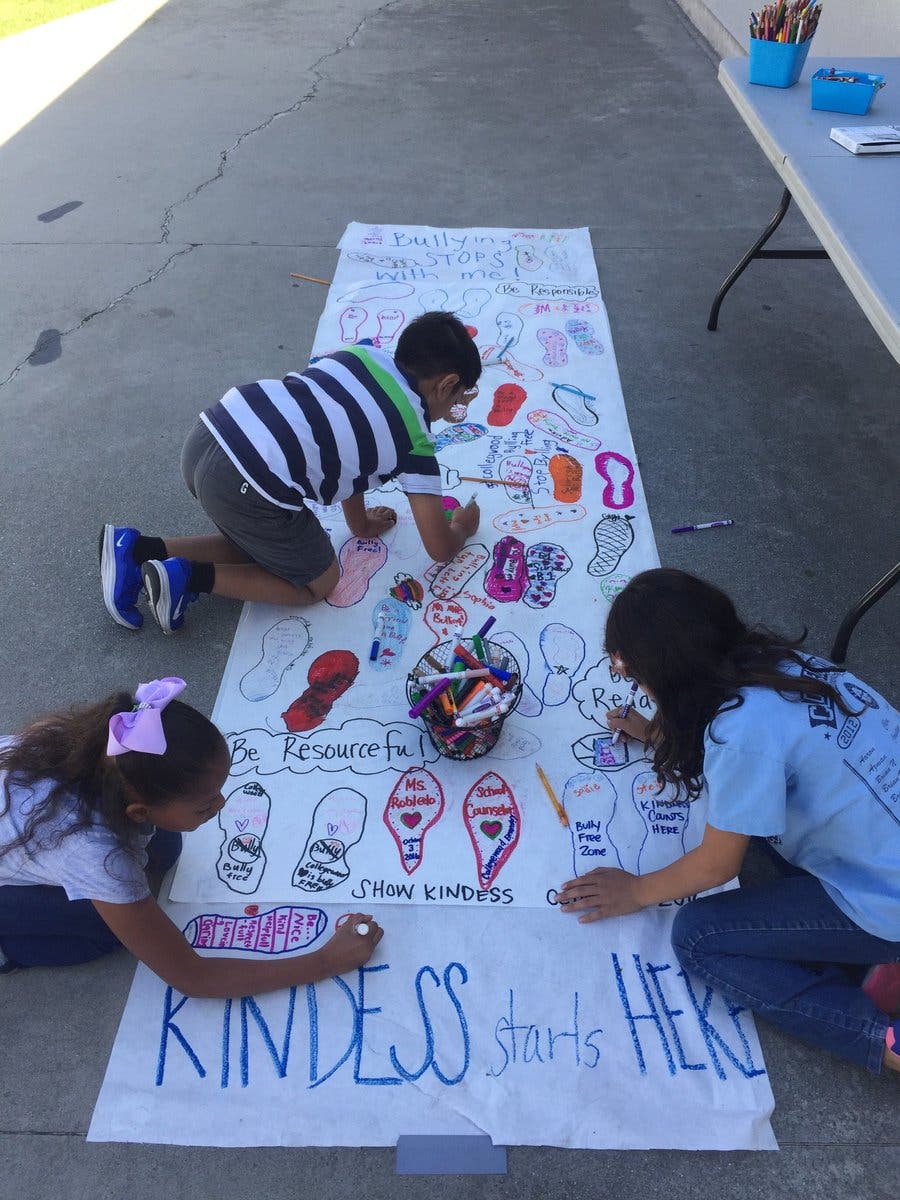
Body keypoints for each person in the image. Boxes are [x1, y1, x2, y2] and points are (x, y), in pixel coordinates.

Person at [557, 568, 900, 1075]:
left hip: (885, 899)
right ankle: (869, 962)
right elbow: (753, 752)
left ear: (667, 674)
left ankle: (881, 1039)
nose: (634, 684)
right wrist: (659, 735)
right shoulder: (777, 663)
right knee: (746, 820)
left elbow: (715, 867)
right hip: (880, 850)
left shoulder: (738, 735)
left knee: (697, 937)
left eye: (633, 674)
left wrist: (635, 891)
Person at [100, 311, 482, 633]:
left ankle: (136, 550)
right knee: (320, 582)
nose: (456, 408)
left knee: (264, 543)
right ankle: (186, 578)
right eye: (460, 397)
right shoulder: (415, 438)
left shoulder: (360, 355)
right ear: (447, 384)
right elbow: (438, 546)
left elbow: (344, 440)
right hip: (248, 482)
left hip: (209, 433)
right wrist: (461, 527)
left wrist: (361, 525)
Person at [0, 678, 383, 995]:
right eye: (203, 807)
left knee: (165, 847)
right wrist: (326, 961)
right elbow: (192, 977)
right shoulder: (98, 856)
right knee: (102, 931)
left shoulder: (90, 744)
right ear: (138, 812)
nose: (220, 806)